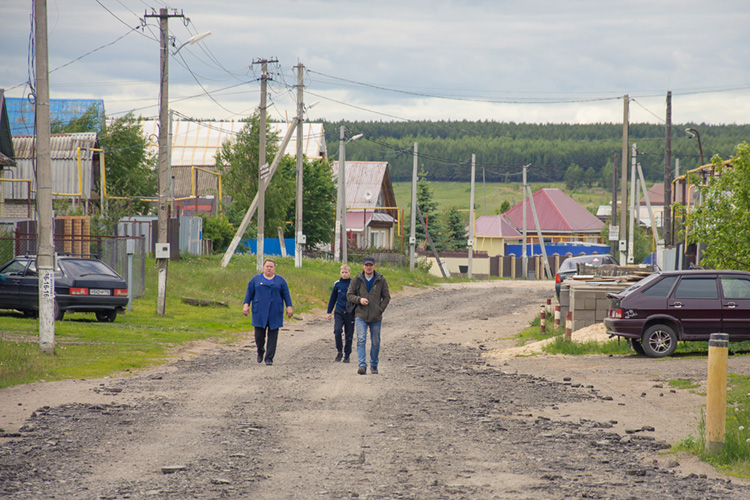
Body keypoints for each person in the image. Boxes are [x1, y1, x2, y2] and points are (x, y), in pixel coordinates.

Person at [242, 258, 293, 366]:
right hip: (259, 311)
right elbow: (249, 294)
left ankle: (269, 358)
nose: (269, 268)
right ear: (263, 267)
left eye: (271, 267)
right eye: (267, 266)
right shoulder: (255, 280)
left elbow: (286, 295)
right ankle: (260, 351)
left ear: (274, 268)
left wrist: (289, 307)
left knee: (273, 336)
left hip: (275, 311)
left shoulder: (280, 281)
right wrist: (246, 305)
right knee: (259, 336)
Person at [347, 256, 390, 375]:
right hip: (360, 315)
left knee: (376, 342)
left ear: (374, 266)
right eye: (366, 265)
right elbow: (349, 295)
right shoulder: (357, 279)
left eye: (371, 265)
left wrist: (379, 309)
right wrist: (359, 300)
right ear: (363, 266)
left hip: (376, 317)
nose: (369, 267)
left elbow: (386, 297)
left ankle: (374, 364)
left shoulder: (381, 280)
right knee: (361, 340)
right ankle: (362, 365)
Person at [327, 264, 355, 363]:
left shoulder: (353, 284)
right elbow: (332, 298)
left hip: (350, 312)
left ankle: (347, 355)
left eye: (346, 272)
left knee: (349, 335)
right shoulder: (337, 284)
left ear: (349, 273)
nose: (344, 274)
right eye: (342, 272)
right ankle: (339, 351)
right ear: (340, 273)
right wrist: (329, 312)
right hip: (339, 311)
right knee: (337, 331)